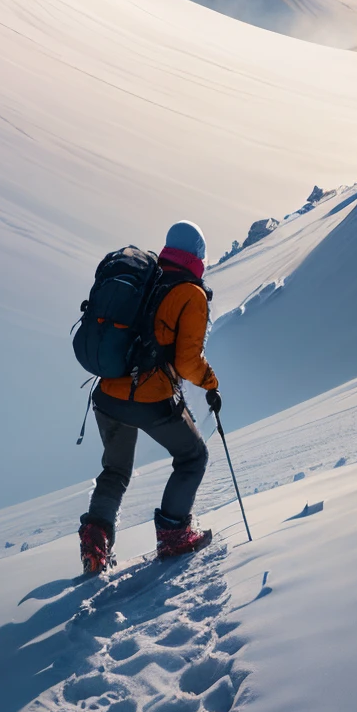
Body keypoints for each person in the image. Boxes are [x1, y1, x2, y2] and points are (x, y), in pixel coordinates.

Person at [79, 221, 219, 575]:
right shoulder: (191, 293)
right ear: (199, 256)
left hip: (108, 394)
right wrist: (211, 384)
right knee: (192, 457)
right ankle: (173, 532)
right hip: (151, 398)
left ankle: (96, 538)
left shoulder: (148, 278)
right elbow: (187, 361)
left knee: (115, 470)